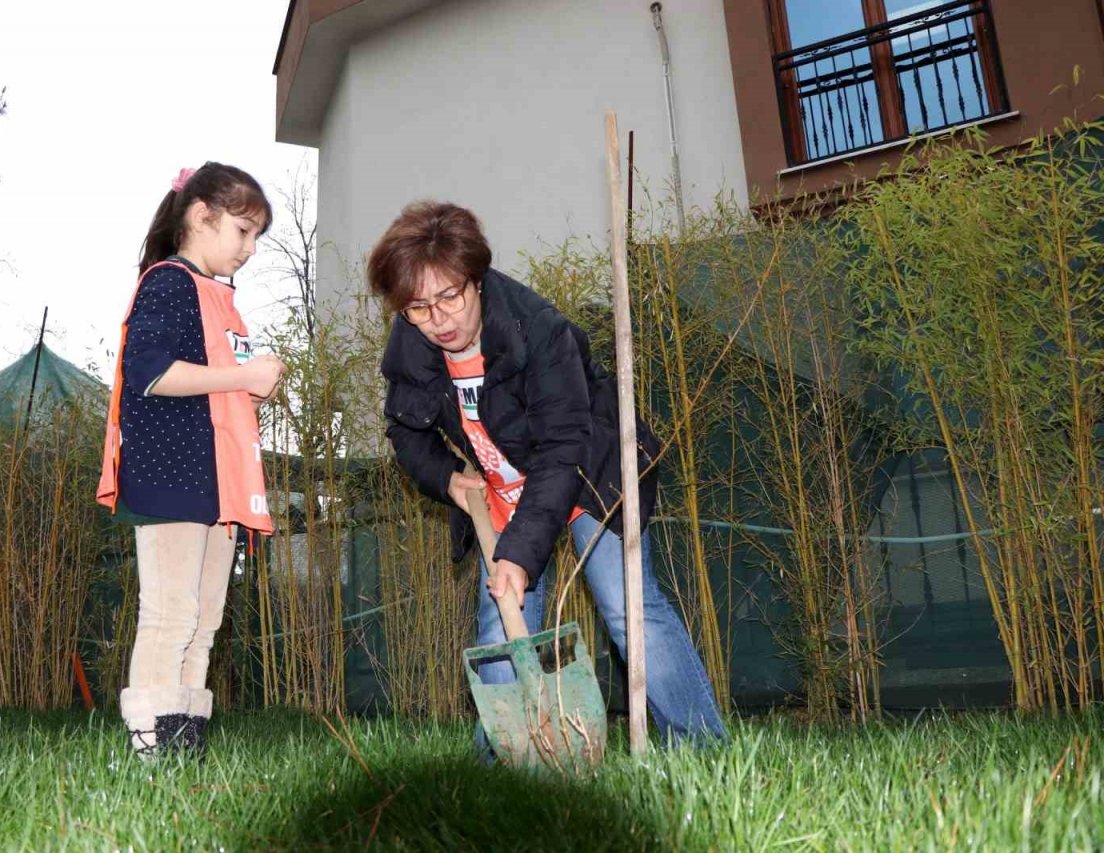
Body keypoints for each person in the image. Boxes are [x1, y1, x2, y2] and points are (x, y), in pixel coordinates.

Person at [368, 201, 725, 756]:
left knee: (627, 608)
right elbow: (405, 430)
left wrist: (522, 554)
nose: (439, 319)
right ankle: (507, 768)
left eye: (449, 297)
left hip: (588, 472)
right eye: (418, 307)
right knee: (499, 633)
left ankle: (704, 750)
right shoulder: (413, 342)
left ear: (476, 280)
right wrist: (448, 478)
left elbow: (563, 449)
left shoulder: (537, 330)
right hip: (501, 491)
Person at [97, 162, 286, 759]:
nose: (250, 249)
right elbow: (149, 373)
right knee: (170, 612)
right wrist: (243, 376)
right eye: (243, 231)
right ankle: (151, 743)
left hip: (218, 483)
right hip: (171, 475)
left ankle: (182, 745)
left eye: (257, 237)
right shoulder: (169, 282)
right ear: (201, 217)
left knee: (204, 618)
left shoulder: (217, 297)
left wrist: (248, 383)